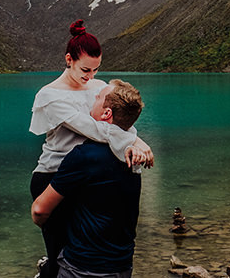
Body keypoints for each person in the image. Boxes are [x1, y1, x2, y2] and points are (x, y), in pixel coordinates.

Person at [29, 21, 153, 278]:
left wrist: (137, 141)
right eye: (86, 69)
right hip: (54, 174)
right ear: (69, 60)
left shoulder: (99, 87)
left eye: (96, 69)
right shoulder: (50, 95)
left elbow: (119, 123)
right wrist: (135, 142)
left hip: (88, 175)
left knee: (78, 249)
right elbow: (93, 129)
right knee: (58, 250)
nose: (91, 77)